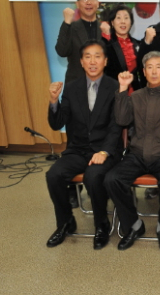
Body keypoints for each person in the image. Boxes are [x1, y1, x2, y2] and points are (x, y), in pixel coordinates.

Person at [104, 51, 160, 252]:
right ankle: (134, 225)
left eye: (158, 67)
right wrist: (123, 89)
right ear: (144, 71)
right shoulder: (136, 96)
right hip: (137, 154)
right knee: (111, 179)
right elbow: (122, 120)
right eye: (150, 67)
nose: (154, 71)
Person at [45, 40, 121, 250]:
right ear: (81, 62)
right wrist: (53, 101)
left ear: (105, 61)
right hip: (78, 149)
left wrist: (105, 151)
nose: (92, 61)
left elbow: (116, 126)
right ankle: (65, 222)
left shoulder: (115, 87)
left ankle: (101, 225)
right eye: (88, 57)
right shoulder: (71, 88)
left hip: (105, 150)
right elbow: (57, 123)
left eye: (97, 56)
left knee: (93, 176)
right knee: (53, 175)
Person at [55, 0, 102, 85]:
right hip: (76, 85)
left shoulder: (105, 29)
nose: (88, 2)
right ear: (77, 4)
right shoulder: (70, 27)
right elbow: (62, 51)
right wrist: (67, 23)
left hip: (102, 86)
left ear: (98, 3)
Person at [100, 4, 142, 93]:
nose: (123, 21)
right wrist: (107, 38)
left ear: (131, 22)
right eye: (118, 18)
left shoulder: (137, 44)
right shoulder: (105, 43)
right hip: (113, 93)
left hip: (135, 94)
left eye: (126, 18)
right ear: (112, 23)